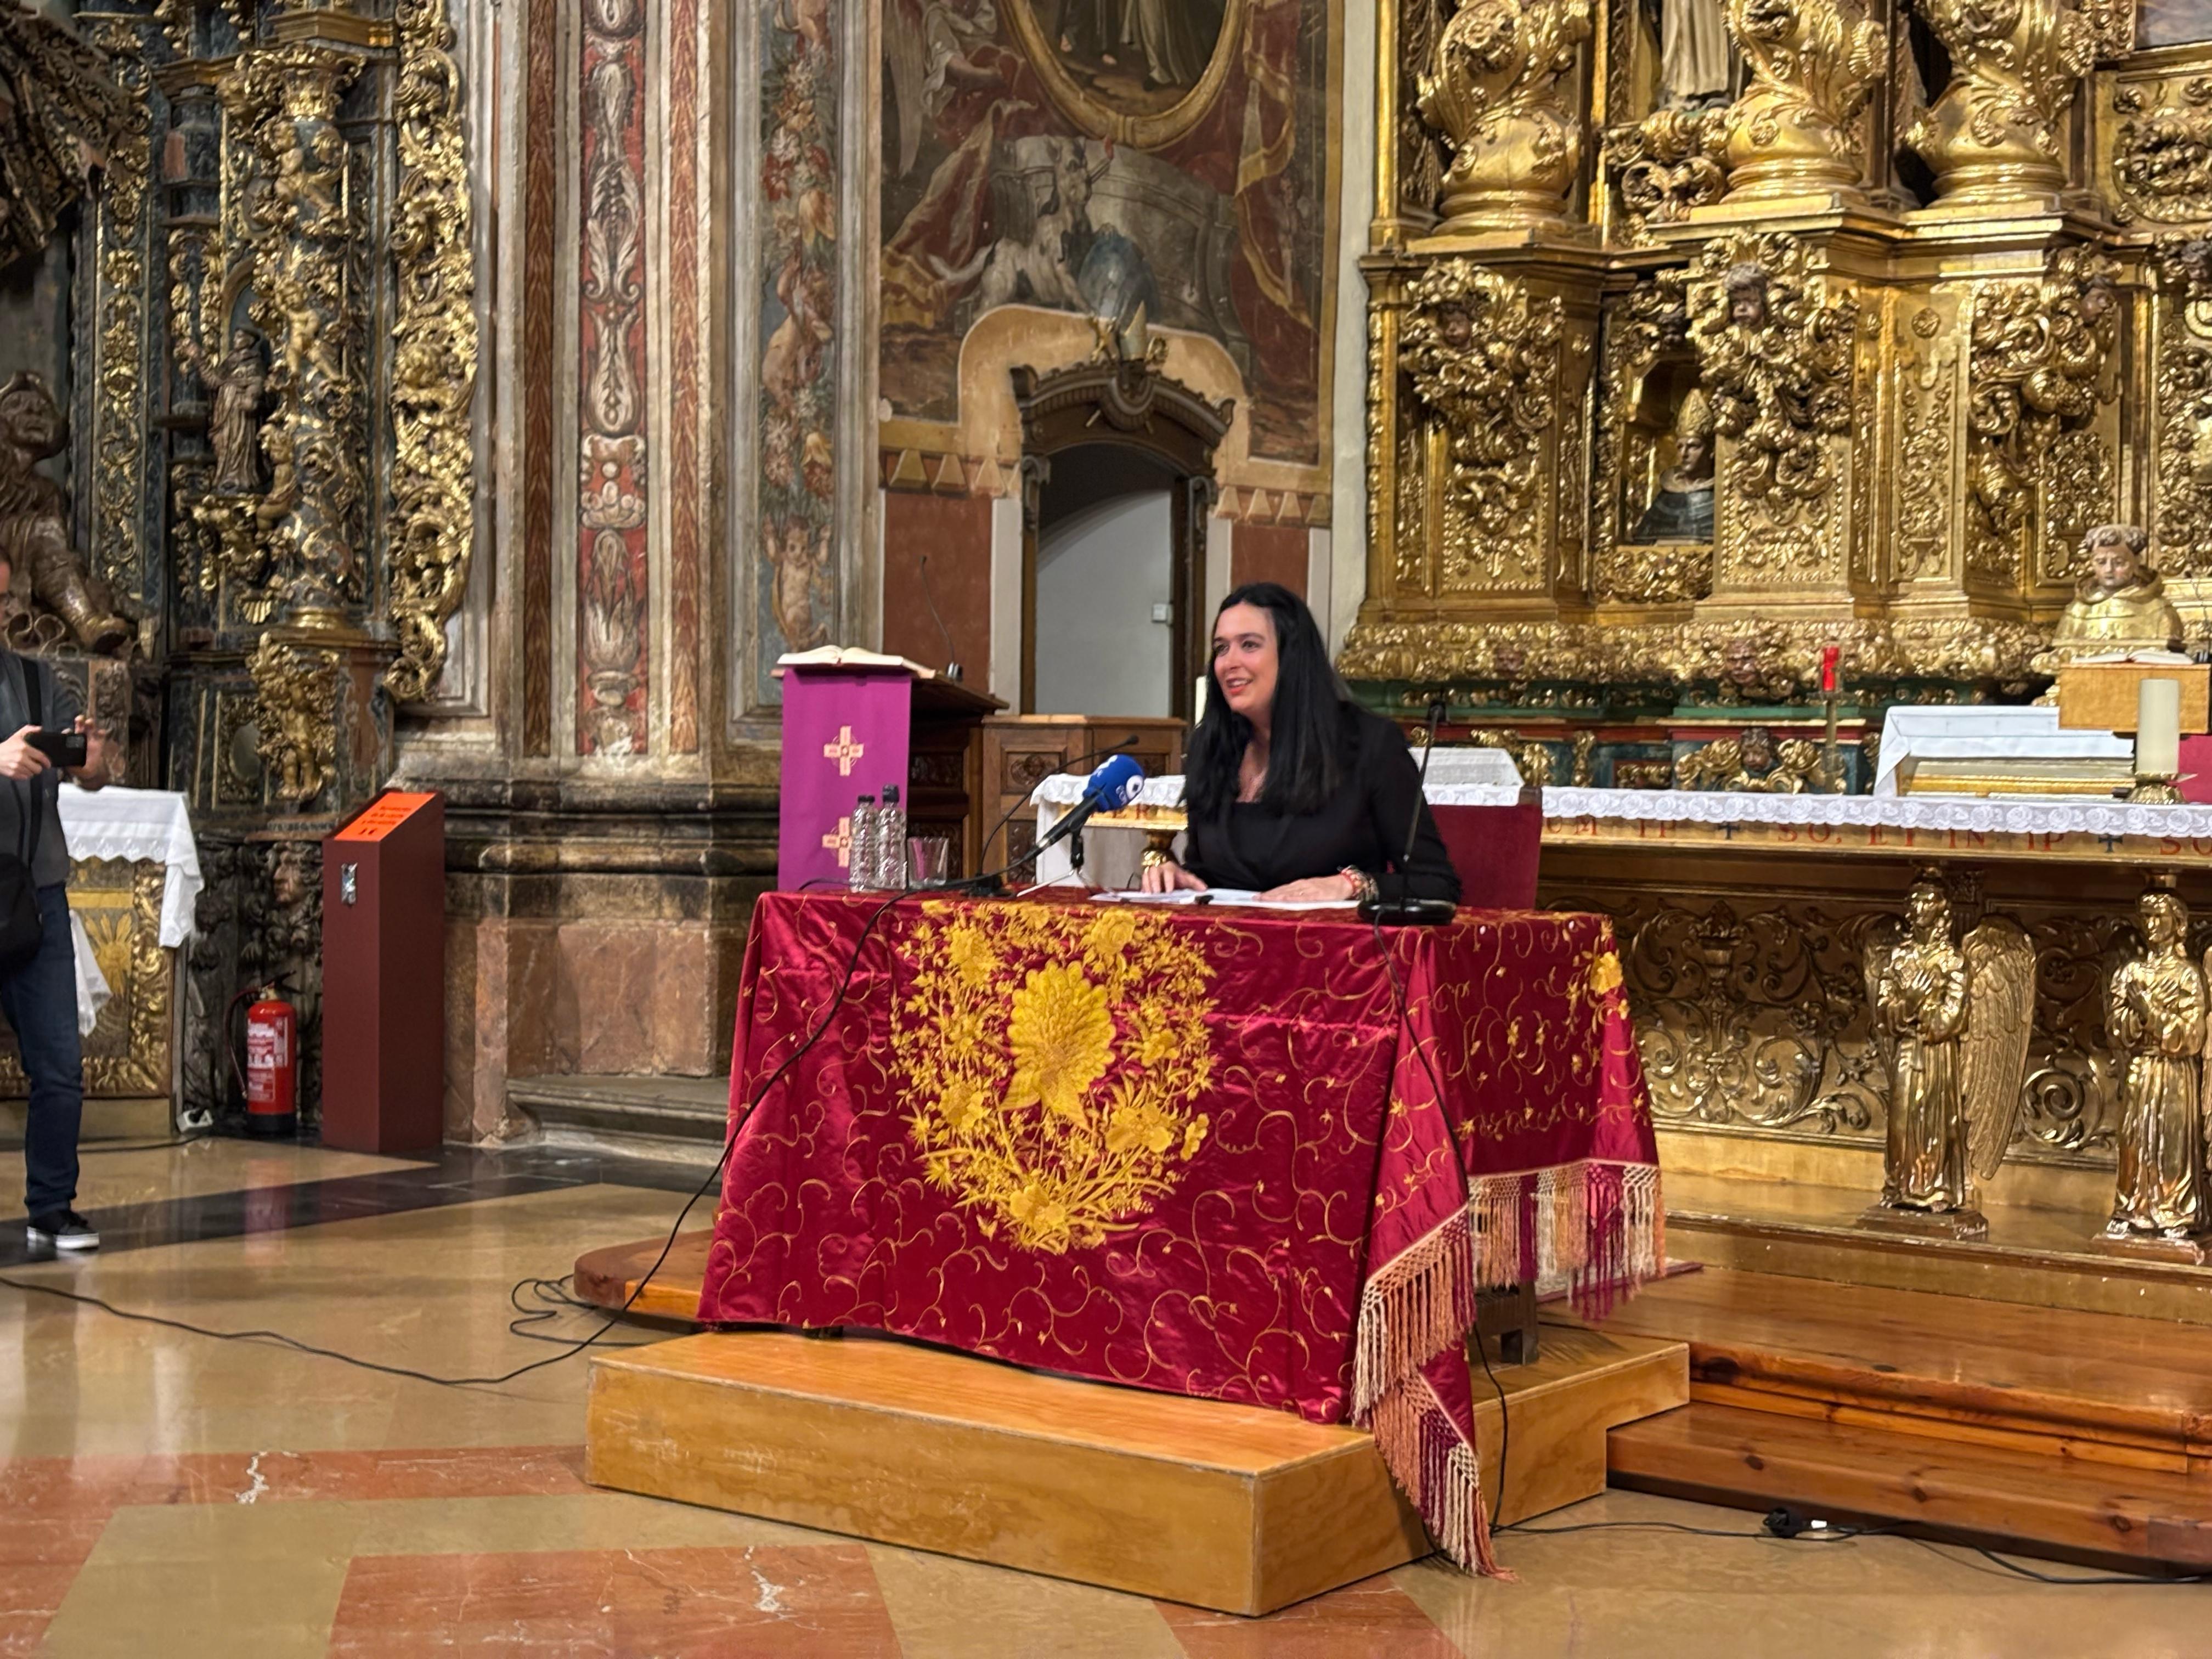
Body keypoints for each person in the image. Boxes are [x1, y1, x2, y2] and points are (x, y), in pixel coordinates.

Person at [1142, 583, 1462, 905]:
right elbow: (1209, 876)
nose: (1229, 663)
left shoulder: (1368, 744)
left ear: (1292, 655)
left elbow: (1436, 883)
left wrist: (1348, 886)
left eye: (1249, 645)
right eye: (1221, 648)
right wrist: (1180, 877)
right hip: (1227, 948)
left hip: (1330, 949)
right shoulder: (1211, 747)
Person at [1, 603, 117, 1251]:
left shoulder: (37, 681)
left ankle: (51, 1205)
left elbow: (93, 773)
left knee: (58, 1064)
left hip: (35, 898)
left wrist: (90, 762)